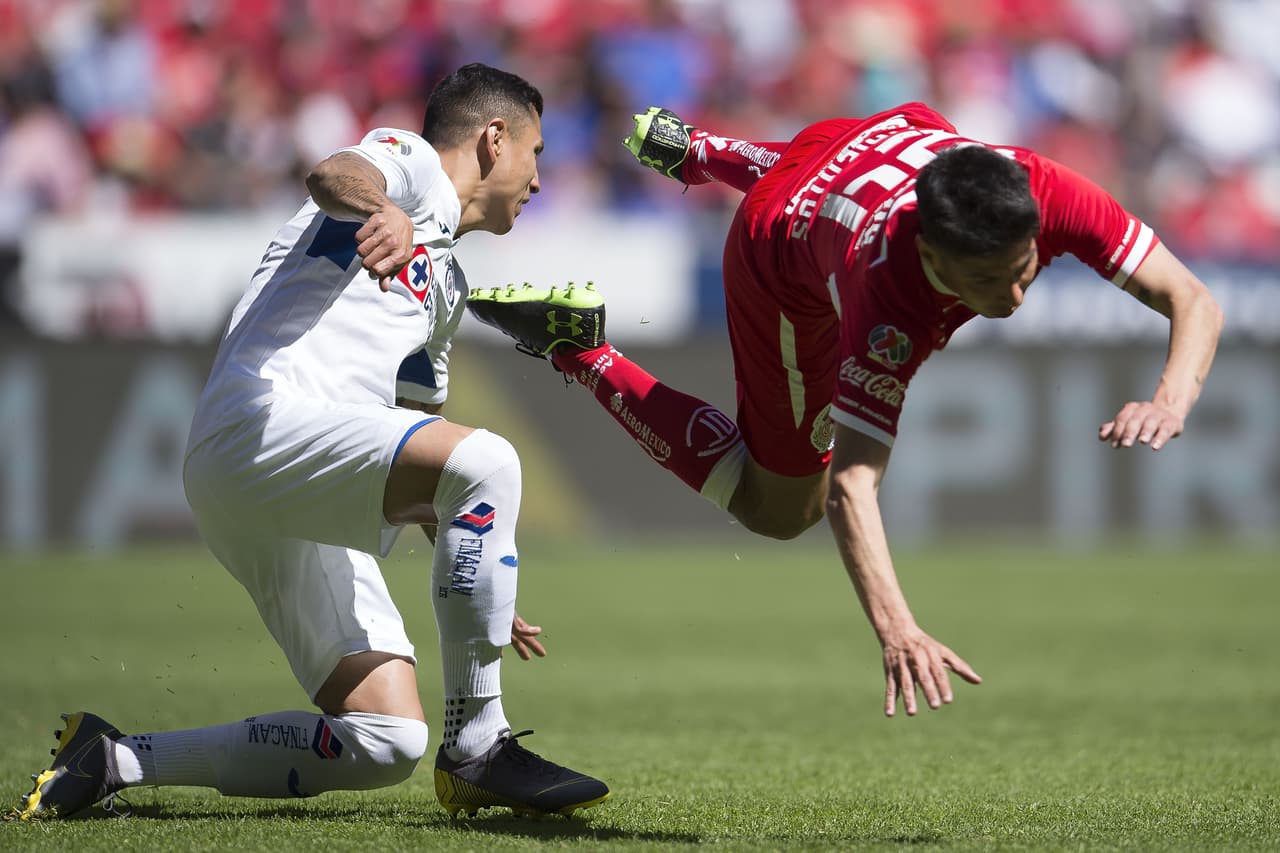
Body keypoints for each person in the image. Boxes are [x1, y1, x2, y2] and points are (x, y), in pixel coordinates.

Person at [468, 103, 1225, 719]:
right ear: (932, 255)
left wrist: (1170, 399)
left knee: (821, 167)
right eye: (988, 283)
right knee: (779, 509)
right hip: (778, 254)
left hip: (863, 142)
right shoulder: (887, 305)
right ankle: (581, 347)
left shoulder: (1041, 189)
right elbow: (851, 487)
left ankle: (700, 151)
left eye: (1023, 267)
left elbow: (1193, 298)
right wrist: (897, 628)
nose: (1016, 295)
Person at [16, 63, 608, 821]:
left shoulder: (449, 286)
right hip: (262, 423)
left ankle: (111, 759)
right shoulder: (413, 165)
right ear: (495, 139)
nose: (538, 178)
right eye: (536, 152)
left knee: (386, 740)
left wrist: (478, 570)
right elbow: (332, 175)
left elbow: (424, 441)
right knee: (491, 460)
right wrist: (384, 209)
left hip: (289, 483)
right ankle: (479, 745)